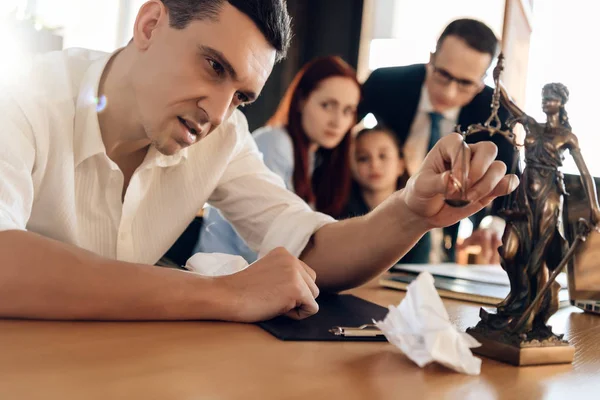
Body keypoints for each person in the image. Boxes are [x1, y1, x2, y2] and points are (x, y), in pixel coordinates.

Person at [0, 0, 517, 323]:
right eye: (213, 65)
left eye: (243, 96)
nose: (218, 111)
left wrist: (410, 213)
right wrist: (223, 295)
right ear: (151, 23)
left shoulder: (225, 135)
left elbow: (310, 245)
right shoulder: (22, 97)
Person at [359, 18, 514, 264]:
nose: (449, 92)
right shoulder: (385, 85)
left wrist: (492, 224)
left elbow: (510, 174)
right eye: (443, 75)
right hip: (372, 218)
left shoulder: (496, 113)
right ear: (431, 59)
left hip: (443, 236)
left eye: (465, 83)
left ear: (482, 81)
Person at [196, 56, 360, 262]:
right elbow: (261, 239)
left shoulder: (314, 157)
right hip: (222, 271)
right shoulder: (275, 143)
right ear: (301, 101)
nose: (338, 121)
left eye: (348, 111)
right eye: (327, 105)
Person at [487, 81, 600, 335]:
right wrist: (498, 79)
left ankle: (530, 316)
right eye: (543, 97)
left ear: (561, 103)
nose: (545, 101)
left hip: (549, 196)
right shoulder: (531, 125)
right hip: (524, 195)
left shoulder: (567, 136)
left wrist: (594, 206)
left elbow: (585, 173)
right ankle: (517, 299)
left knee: (537, 257)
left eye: (550, 98)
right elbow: (508, 103)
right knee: (509, 250)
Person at [342, 126, 430, 263]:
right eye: (363, 158)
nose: (374, 164)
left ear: (400, 165)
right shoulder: (340, 216)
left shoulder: (418, 214)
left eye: (383, 156)